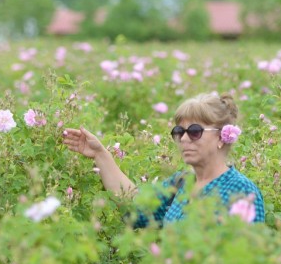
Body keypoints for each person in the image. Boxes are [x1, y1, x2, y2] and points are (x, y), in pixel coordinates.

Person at [62, 93, 265, 228]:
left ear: (222, 137)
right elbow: (136, 207)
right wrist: (100, 154)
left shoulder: (242, 191)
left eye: (194, 131)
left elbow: (248, 261)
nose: (184, 139)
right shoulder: (183, 182)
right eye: (179, 131)